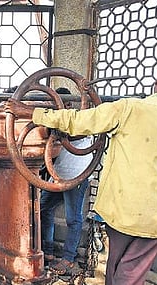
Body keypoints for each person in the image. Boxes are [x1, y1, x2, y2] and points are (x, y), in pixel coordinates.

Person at [4, 55, 157, 285]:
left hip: (122, 210)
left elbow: (77, 122)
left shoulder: (129, 109)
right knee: (128, 277)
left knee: (119, 272)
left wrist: (34, 113)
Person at [39, 87, 93, 275]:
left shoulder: (79, 120)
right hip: (59, 174)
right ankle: (49, 251)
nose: (57, 108)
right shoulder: (57, 120)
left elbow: (74, 133)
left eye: (61, 103)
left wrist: (54, 129)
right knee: (44, 208)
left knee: (73, 218)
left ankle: (69, 258)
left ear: (69, 104)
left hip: (76, 175)